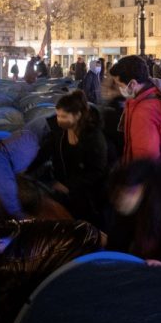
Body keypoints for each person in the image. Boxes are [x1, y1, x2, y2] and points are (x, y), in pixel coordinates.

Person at [31, 91, 108, 226]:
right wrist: (26, 168)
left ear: (77, 115)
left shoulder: (94, 138)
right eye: (58, 115)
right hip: (62, 191)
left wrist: (69, 185)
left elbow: (97, 171)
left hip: (88, 196)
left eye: (64, 116)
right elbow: (44, 153)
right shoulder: (58, 132)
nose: (59, 119)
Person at [108, 55, 161, 168]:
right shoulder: (153, 95)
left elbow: (145, 162)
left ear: (132, 84)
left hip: (148, 180)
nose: (119, 89)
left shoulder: (144, 112)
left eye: (119, 85)